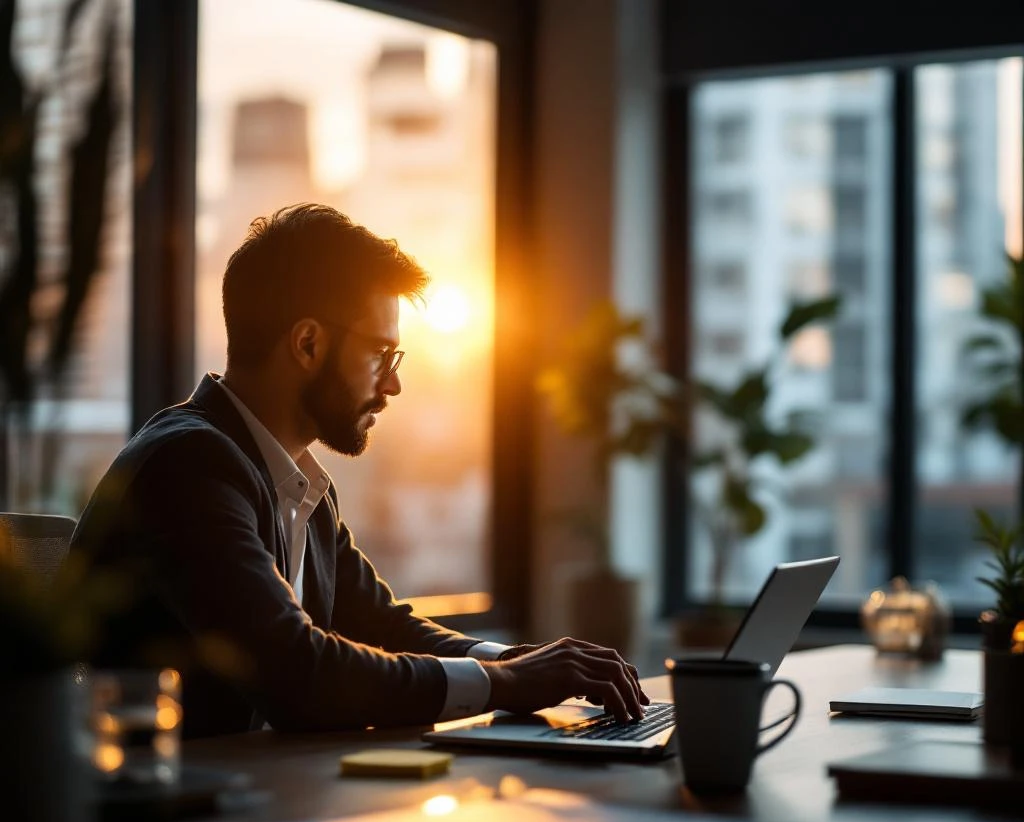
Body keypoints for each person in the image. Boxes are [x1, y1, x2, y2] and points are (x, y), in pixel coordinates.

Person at [70, 204, 648, 739]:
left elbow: (381, 626)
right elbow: (297, 672)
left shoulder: (299, 482)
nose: (393, 383)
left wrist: (515, 662)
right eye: (380, 354)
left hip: (246, 799)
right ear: (308, 343)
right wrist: (508, 685)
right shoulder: (189, 466)